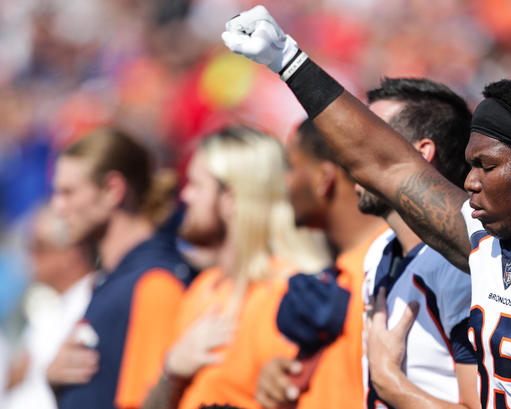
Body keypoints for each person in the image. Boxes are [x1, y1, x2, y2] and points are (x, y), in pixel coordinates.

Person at [222, 6, 511, 408]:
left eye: (487, 166)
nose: (470, 180)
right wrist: (291, 62)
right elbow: (386, 164)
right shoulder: (487, 245)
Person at [142, 126, 330, 409]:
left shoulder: (286, 294)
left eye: (196, 185)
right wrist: (172, 371)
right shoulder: (204, 287)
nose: (186, 197)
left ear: (231, 200)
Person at [48, 128, 193, 409]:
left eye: (68, 192)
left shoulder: (154, 282)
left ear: (113, 190)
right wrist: (54, 384)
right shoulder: (116, 278)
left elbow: (150, 401)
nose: (58, 207)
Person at [361, 77, 479, 409]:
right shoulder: (380, 250)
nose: (351, 154)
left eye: (367, 137)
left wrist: (389, 382)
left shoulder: (459, 264)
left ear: (421, 152)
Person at [255, 119, 386, 409]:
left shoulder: (386, 273)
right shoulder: (347, 272)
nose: (285, 182)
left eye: (291, 168)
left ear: (323, 178)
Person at [4, 204, 94, 409]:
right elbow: (14, 376)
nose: (29, 257)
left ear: (73, 253)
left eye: (39, 247)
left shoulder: (90, 303)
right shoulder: (50, 304)